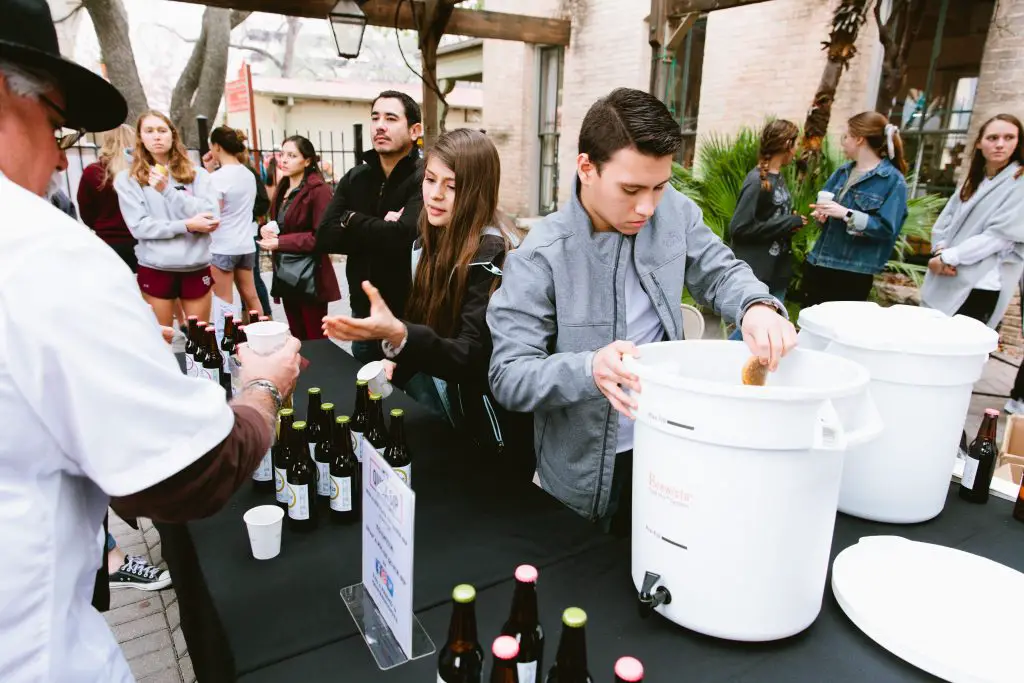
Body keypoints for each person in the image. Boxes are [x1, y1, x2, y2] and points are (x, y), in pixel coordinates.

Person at [0, 2, 302, 681]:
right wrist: (260, 389)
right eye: (52, 121)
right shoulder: (41, 252)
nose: (56, 153)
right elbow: (188, 471)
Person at [486, 88, 796, 533]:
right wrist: (590, 368)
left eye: (659, 186)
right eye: (630, 189)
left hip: (666, 442)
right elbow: (509, 375)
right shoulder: (541, 256)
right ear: (586, 168)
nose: (647, 207)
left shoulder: (675, 214)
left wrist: (757, 306)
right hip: (583, 471)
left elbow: (721, 271)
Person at [323, 129, 534, 478]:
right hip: (451, 418)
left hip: (493, 435)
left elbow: (471, 355)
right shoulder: (429, 236)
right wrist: (397, 360)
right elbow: (428, 324)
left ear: (477, 189)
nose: (435, 195)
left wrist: (401, 336)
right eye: (431, 180)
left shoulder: (496, 254)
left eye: (451, 186)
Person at [315, 90, 425, 363]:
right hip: (363, 312)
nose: (380, 126)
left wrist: (351, 219)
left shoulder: (425, 177)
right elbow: (325, 236)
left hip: (410, 315)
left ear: (415, 130)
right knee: (368, 396)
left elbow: (404, 236)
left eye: (390, 118)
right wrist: (380, 229)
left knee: (411, 401)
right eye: (375, 118)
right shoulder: (356, 177)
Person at [114, 110, 221, 327]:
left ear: (172, 135)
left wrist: (168, 191)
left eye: (162, 130)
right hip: (156, 267)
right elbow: (140, 226)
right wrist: (188, 225)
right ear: (140, 138)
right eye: (149, 131)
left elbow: (211, 217)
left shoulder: (197, 174)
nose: (156, 136)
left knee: (200, 340)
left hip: (195, 266)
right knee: (161, 340)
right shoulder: (127, 179)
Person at [922, 114, 1024, 329]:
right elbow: (945, 222)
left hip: (981, 284)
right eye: (992, 137)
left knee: (960, 356)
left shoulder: (1019, 181)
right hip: (946, 275)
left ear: (1018, 142)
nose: (1000, 144)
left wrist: (949, 257)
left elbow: (1000, 237)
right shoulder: (974, 181)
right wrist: (940, 252)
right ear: (979, 143)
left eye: (1009, 138)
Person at [803, 111, 909, 305]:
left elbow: (886, 228)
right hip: (819, 262)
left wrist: (846, 213)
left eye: (846, 136)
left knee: (837, 332)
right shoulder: (841, 173)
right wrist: (821, 216)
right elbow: (826, 211)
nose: (843, 142)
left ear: (859, 139)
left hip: (852, 272)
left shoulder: (893, 181)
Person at [726, 119, 805, 340]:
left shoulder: (777, 177)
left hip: (777, 271)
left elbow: (769, 219)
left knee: (766, 332)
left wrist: (792, 221)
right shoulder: (756, 181)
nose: (797, 150)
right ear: (787, 144)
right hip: (760, 273)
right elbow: (739, 228)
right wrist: (789, 222)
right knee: (751, 332)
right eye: (795, 143)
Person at [257, 135, 340, 339]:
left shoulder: (318, 190)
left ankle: (320, 371)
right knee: (297, 336)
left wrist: (280, 242)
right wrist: (266, 230)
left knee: (316, 339)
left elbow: (321, 237)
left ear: (308, 161)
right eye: (282, 154)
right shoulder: (284, 186)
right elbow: (283, 224)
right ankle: (303, 372)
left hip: (310, 274)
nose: (284, 160)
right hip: (286, 272)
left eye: (292, 155)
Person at [202, 125, 263, 331]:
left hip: (222, 246)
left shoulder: (217, 178)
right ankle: (262, 338)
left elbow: (213, 214)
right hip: (246, 244)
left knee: (224, 301)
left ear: (217, 146)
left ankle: (225, 346)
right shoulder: (248, 174)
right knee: (251, 296)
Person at [78, 123, 138, 270]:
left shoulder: (93, 172)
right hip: (142, 241)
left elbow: (86, 213)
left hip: (108, 243)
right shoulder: (143, 172)